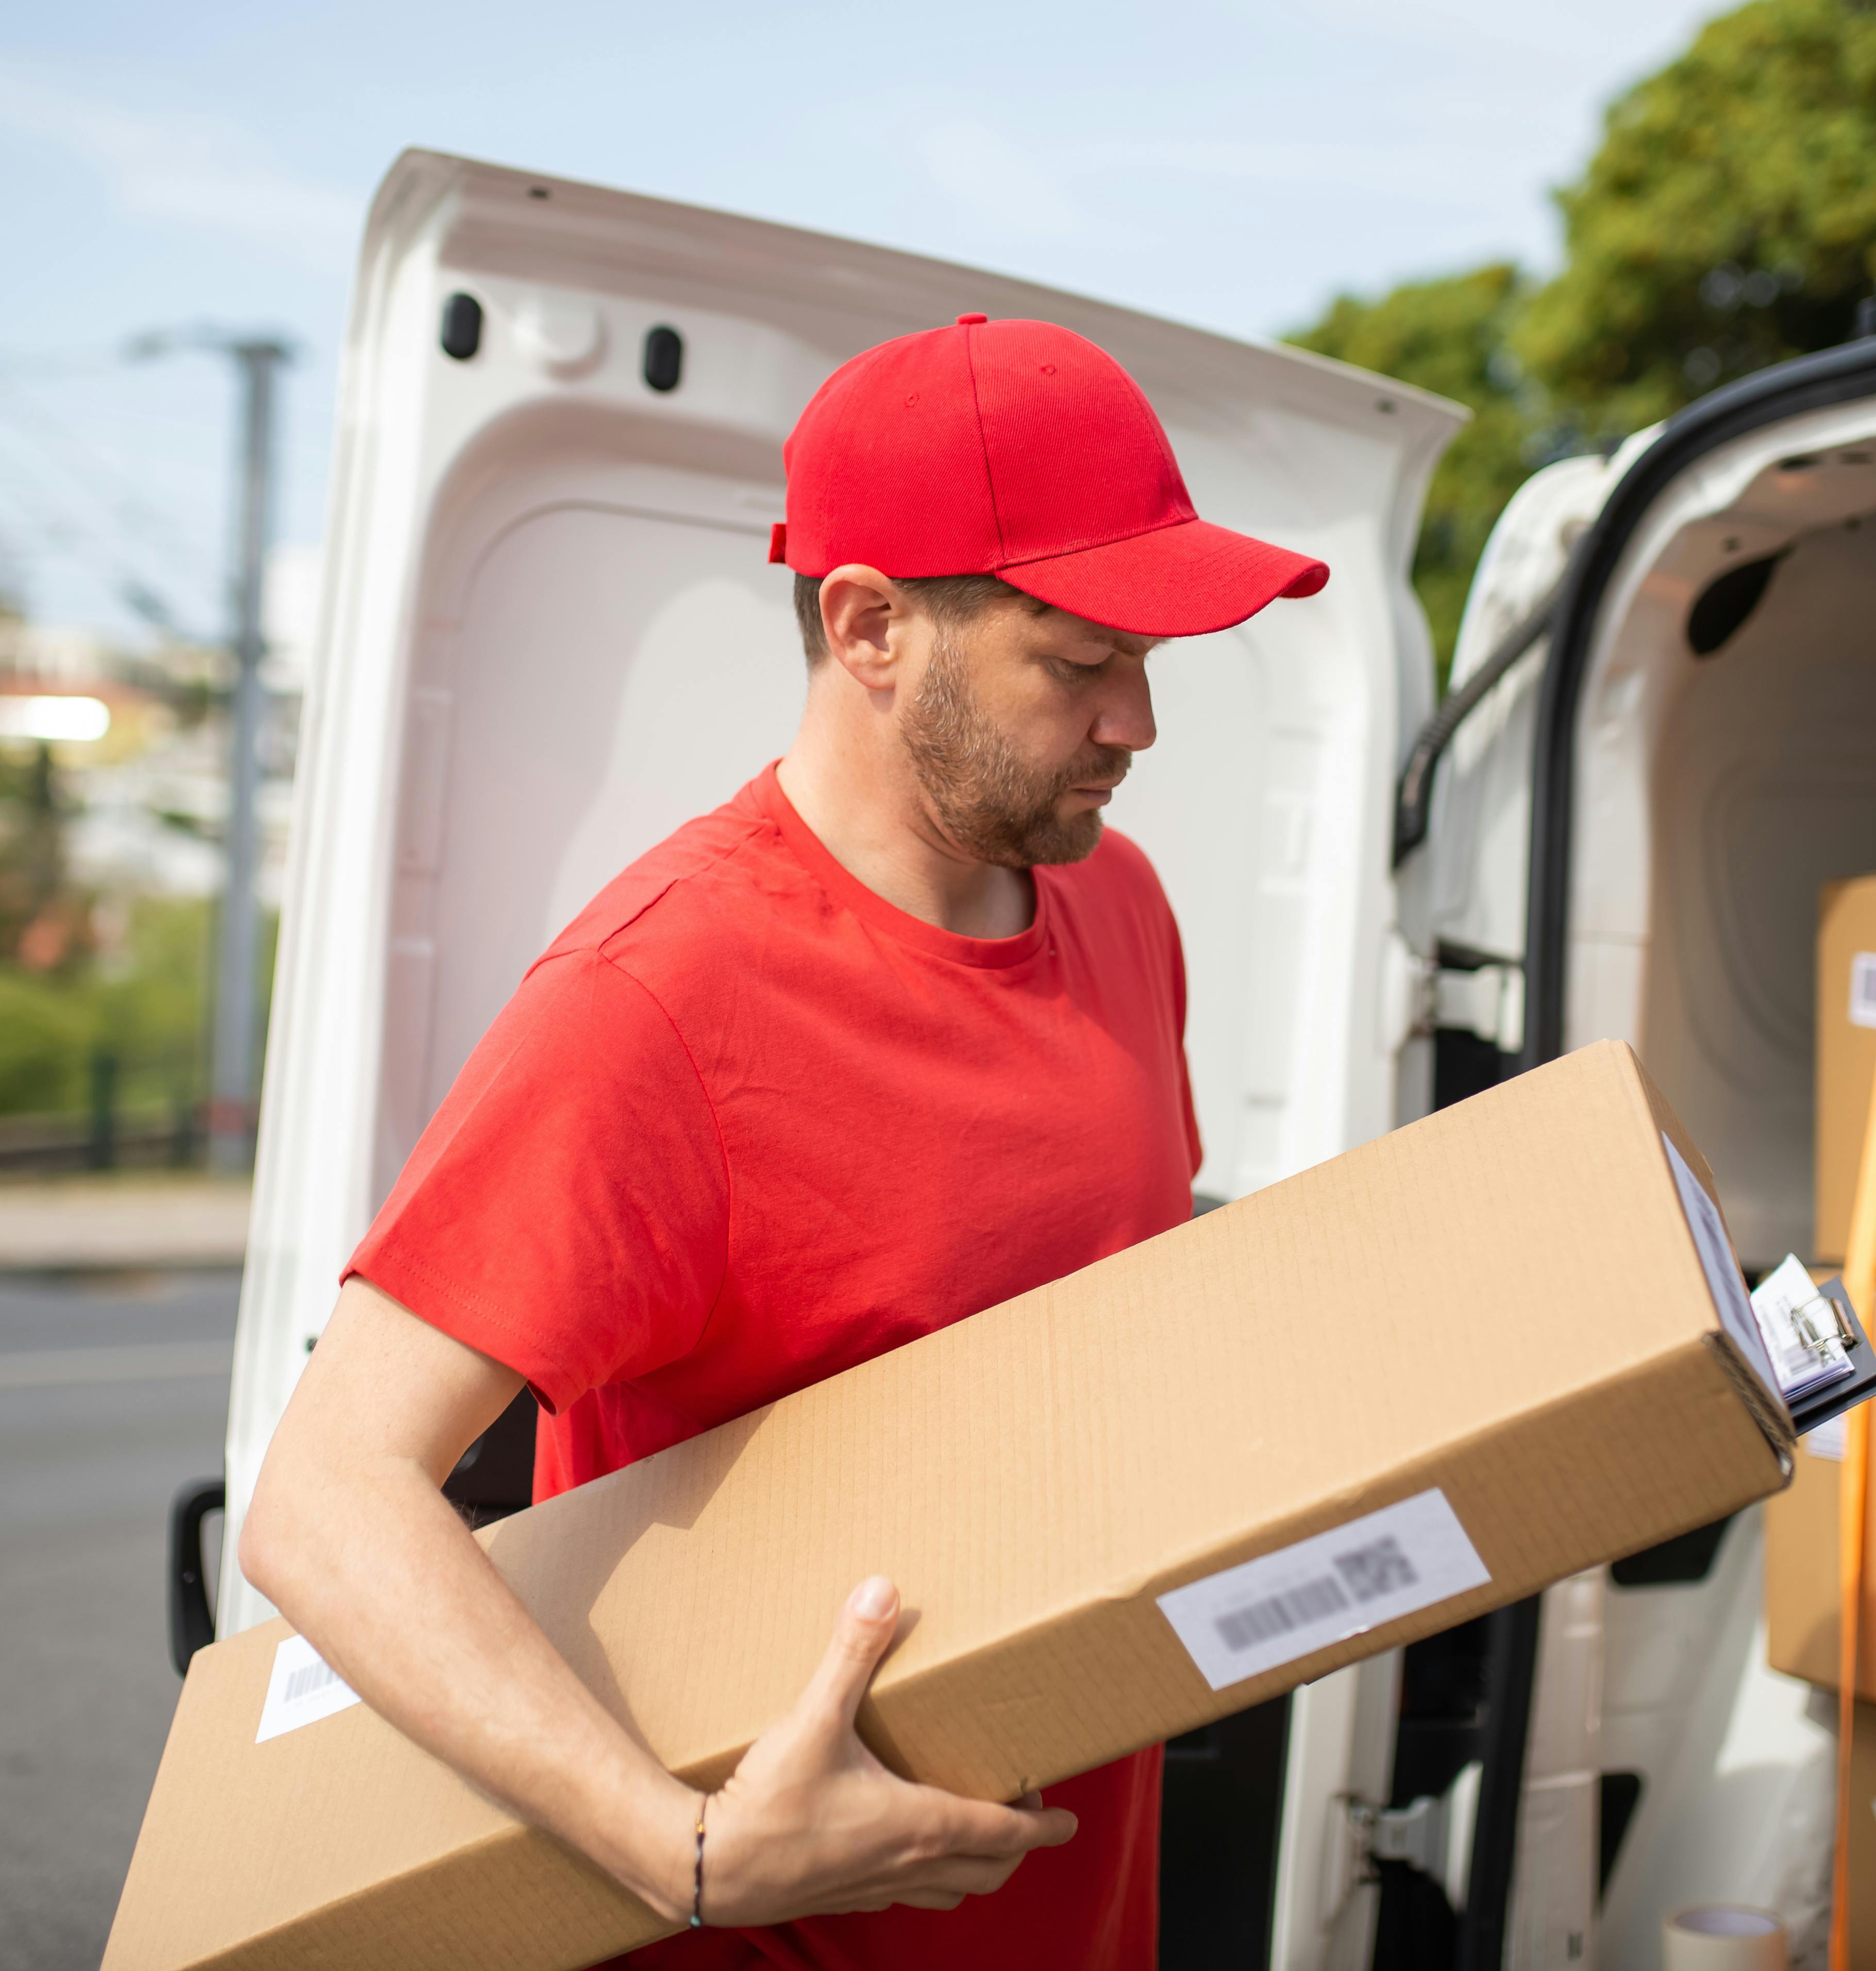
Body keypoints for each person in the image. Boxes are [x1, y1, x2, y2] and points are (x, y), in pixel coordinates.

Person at [237, 310, 1330, 1968]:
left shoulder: (1123, 910)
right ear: (874, 626)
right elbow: (321, 1498)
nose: (1138, 726)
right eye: (1080, 659)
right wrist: (680, 1849)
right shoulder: (663, 998)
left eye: (1152, 664)